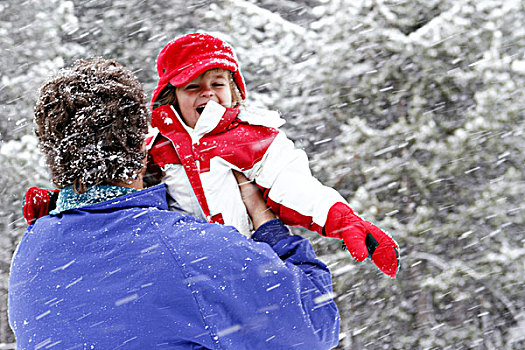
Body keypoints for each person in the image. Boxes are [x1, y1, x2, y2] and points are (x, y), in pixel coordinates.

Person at [9, 57, 340, 349]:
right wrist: (270, 229)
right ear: (145, 143)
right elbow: (315, 323)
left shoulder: (31, 252)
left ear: (53, 154)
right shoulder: (188, 252)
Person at [147, 32, 400, 278]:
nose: (208, 92)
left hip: (247, 263)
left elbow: (289, 182)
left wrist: (340, 218)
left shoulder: (251, 137)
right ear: (172, 97)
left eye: (217, 83)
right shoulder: (155, 147)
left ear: (233, 91)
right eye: (193, 86)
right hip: (184, 270)